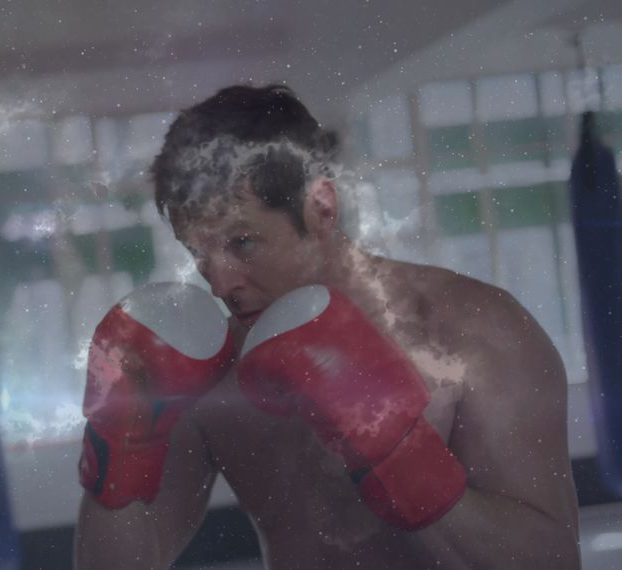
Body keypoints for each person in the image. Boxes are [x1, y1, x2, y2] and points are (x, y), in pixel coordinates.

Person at [74, 84, 580, 569]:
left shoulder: (471, 329)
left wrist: (405, 460)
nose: (219, 283)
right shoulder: (211, 368)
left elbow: (553, 562)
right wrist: (116, 444)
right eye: (199, 252)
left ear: (321, 208)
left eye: (242, 242)